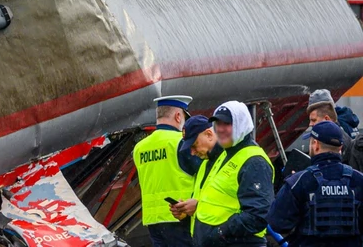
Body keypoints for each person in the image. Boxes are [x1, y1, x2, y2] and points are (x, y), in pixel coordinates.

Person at [170, 101, 274, 247]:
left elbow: (258, 215)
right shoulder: (224, 157)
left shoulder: (254, 161)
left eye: (227, 124)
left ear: (241, 124)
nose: (220, 129)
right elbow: (217, 205)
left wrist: (219, 233)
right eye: (217, 125)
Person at [267, 121, 363, 247]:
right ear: (340, 148)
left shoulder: (298, 181)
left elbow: (277, 223)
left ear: (315, 145)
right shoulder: (358, 180)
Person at [135, 96, 199, 247]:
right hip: (181, 217)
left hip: (154, 221)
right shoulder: (181, 142)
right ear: (178, 116)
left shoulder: (140, 148)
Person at [285, 91, 343, 179]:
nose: (310, 124)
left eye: (314, 120)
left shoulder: (340, 142)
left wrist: (300, 178)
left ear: (326, 119)